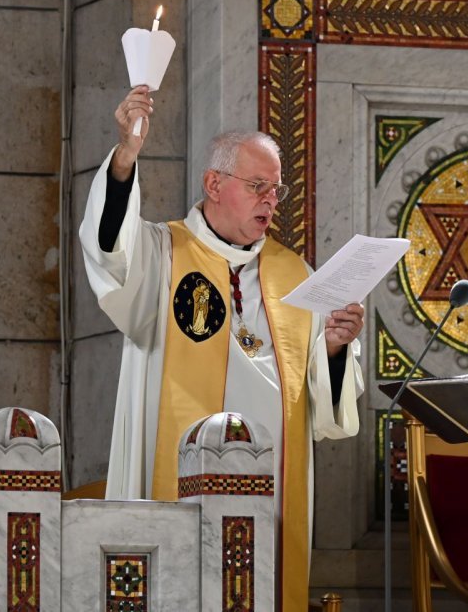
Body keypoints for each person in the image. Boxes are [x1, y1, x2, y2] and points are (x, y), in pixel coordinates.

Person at [79, 86, 365, 612]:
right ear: (214, 183)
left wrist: (332, 349)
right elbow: (108, 253)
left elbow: (325, 416)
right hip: (179, 482)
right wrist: (125, 158)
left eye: (276, 190)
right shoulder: (163, 255)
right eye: (258, 186)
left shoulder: (295, 274)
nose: (270, 201)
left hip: (270, 497)